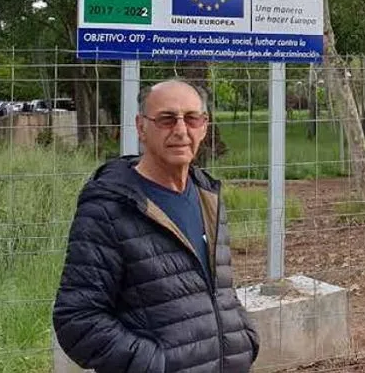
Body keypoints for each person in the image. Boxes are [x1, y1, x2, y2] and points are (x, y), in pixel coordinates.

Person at [53, 80, 259, 373]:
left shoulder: (208, 196)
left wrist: (244, 336)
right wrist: (154, 364)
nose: (180, 130)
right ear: (141, 127)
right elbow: (76, 318)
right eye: (166, 119)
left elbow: (219, 288)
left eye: (191, 118)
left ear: (204, 126)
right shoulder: (108, 208)